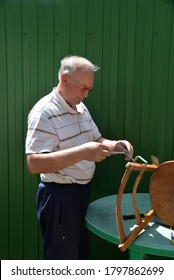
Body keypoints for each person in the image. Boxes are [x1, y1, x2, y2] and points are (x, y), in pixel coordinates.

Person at [25, 55, 133, 260]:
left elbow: (98, 139)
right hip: (59, 196)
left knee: (77, 256)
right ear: (65, 80)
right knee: (62, 260)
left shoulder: (80, 106)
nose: (86, 95)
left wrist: (116, 146)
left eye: (89, 89)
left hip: (80, 194)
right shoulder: (44, 112)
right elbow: (34, 163)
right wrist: (84, 152)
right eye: (83, 88)